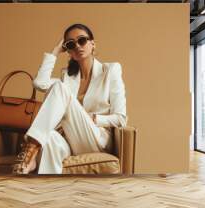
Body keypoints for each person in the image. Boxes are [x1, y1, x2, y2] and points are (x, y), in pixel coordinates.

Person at [13, 23, 127, 174]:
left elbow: (121, 119)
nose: (78, 46)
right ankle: (50, 191)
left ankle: (30, 148)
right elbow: (39, 84)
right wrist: (54, 51)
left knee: (59, 88)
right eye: (71, 44)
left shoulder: (111, 70)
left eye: (82, 40)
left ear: (92, 44)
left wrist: (93, 118)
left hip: (96, 139)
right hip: (70, 140)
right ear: (69, 52)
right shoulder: (67, 76)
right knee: (50, 137)